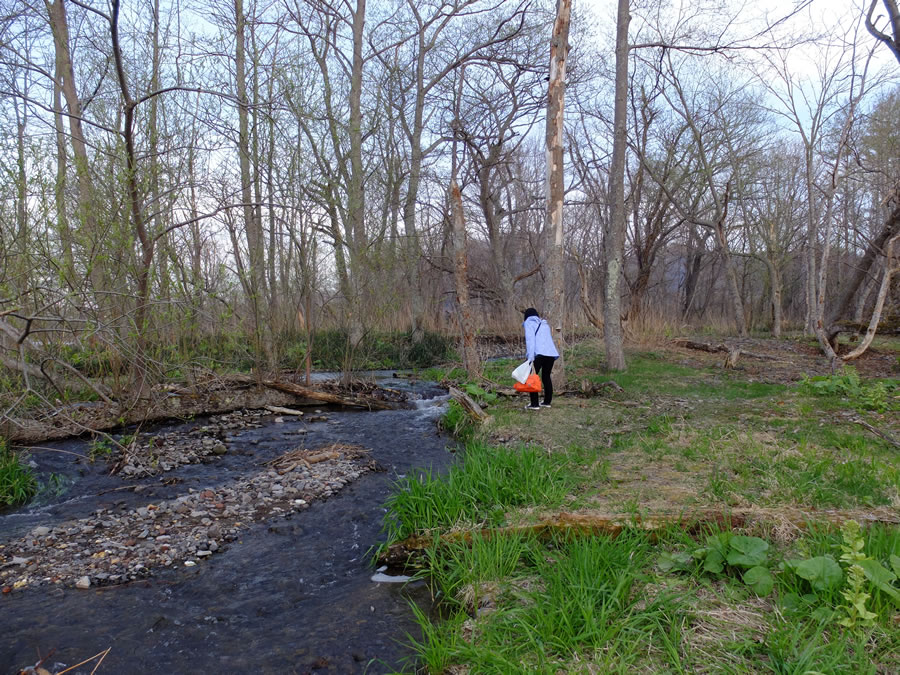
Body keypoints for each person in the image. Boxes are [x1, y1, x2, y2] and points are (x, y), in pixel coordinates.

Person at [522, 308, 559, 410]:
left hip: (538, 354)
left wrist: (530, 357)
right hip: (551, 354)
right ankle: (547, 402)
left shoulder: (529, 323)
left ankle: (534, 404)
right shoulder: (544, 324)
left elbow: (530, 341)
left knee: (532, 377)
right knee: (546, 377)